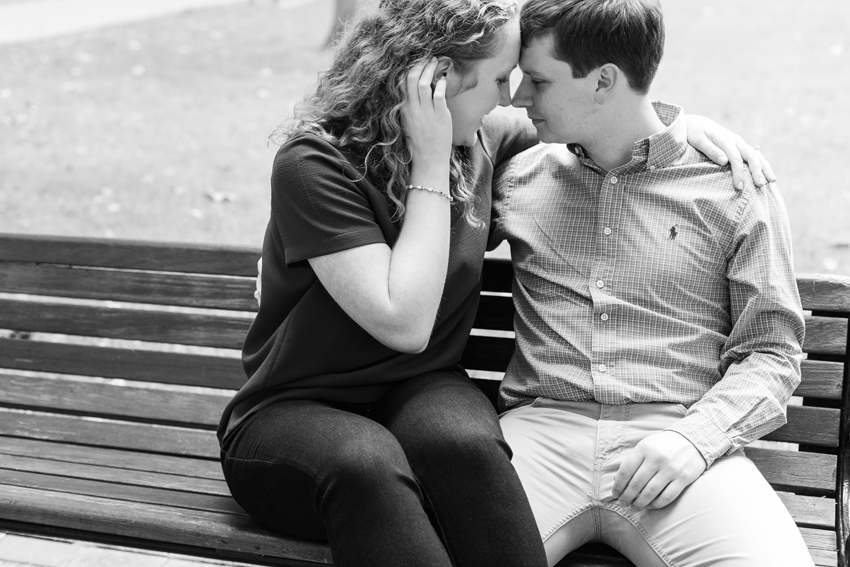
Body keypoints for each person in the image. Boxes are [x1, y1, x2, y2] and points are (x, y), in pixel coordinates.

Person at [220, 1, 772, 565]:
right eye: (501, 79)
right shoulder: (316, 164)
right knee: (365, 463)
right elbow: (404, 322)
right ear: (433, 82)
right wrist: (431, 162)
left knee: (464, 446)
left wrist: (686, 129)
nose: (511, 99)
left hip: (419, 387)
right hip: (296, 408)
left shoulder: (485, 138)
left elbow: (613, 123)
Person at [492, 0, 812, 565]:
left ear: (604, 81)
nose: (519, 97)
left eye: (537, 80)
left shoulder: (734, 187)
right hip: (538, 434)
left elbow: (772, 352)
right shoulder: (516, 176)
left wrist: (696, 440)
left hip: (679, 438)